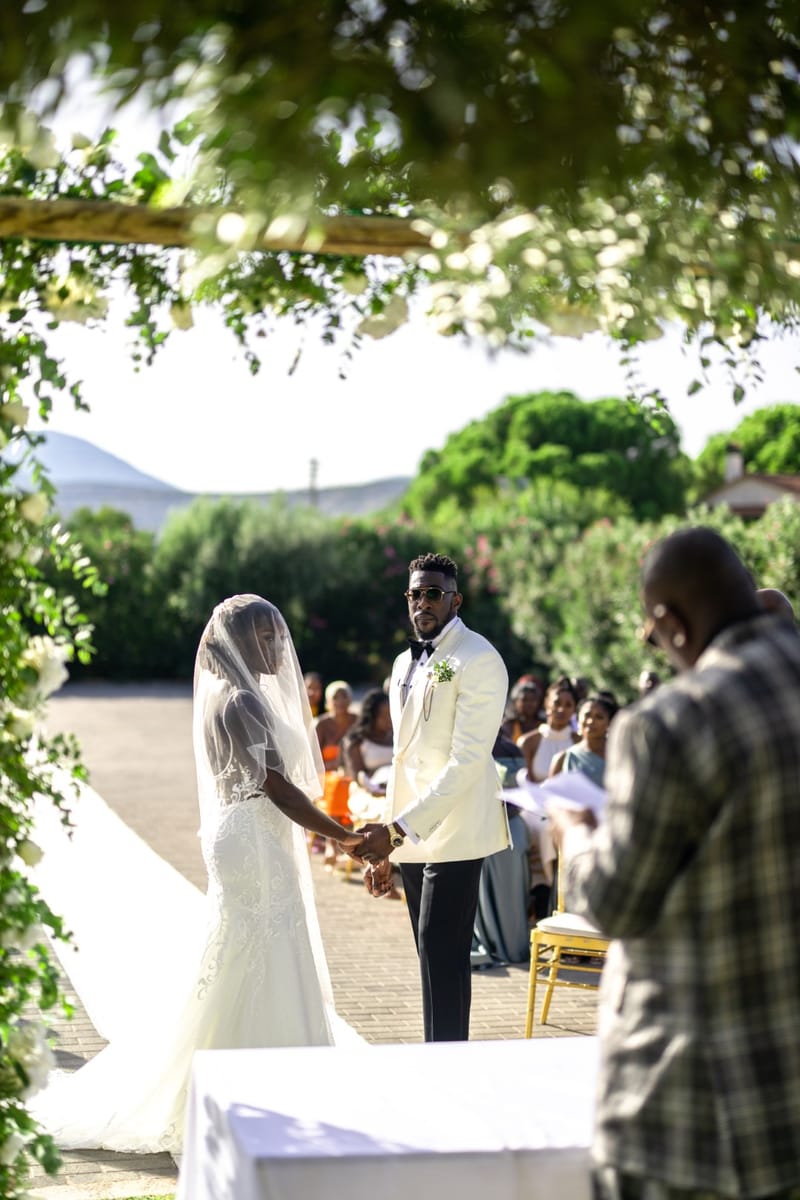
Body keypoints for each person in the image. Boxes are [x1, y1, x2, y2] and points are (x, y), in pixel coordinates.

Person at [32, 594, 361, 1154]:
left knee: (243, 952)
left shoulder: (227, 699)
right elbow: (277, 788)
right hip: (255, 838)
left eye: (275, 635)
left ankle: (234, 1085)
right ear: (236, 642)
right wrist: (346, 837)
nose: (276, 645)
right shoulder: (244, 705)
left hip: (240, 835)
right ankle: (259, 1090)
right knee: (265, 947)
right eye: (264, 637)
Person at [549, 528, 800, 1200]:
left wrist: (575, 831)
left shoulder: (673, 721)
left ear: (670, 622)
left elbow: (614, 901)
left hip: (699, 1119)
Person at [355, 552, 510, 1042]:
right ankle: (441, 1057)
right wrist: (389, 845)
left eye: (433, 594)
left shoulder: (479, 659)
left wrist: (396, 831)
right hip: (411, 832)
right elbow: (401, 759)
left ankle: (446, 1063)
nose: (422, 602)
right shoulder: (403, 663)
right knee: (430, 956)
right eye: (414, 594)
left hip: (458, 829)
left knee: (441, 950)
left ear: (455, 600)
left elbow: (467, 760)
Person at [472, 731, 531, 965]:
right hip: (475, 823)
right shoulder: (465, 742)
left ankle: (512, 945)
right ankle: (484, 940)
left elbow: (519, 793)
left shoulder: (511, 750)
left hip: (510, 821)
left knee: (510, 885)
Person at [314, 679, 357, 866]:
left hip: (352, 771)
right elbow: (313, 757)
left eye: (344, 696)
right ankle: (332, 843)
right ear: (327, 702)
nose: (339, 701)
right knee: (337, 783)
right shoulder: (321, 725)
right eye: (335, 697)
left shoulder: (358, 721)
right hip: (326, 774)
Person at [518, 677, 580, 782]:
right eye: (557, 703)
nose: (562, 709)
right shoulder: (528, 743)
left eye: (568, 705)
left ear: (574, 709)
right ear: (546, 703)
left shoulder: (580, 742)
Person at [500, 678, 543, 743]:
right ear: (515, 702)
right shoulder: (508, 725)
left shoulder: (543, 725)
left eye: (533, 700)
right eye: (524, 700)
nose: (529, 704)